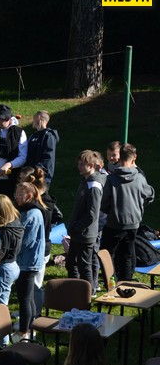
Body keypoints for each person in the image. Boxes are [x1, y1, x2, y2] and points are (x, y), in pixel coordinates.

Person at [100, 143, 155, 281]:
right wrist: (139, 205)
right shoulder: (139, 178)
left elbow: (104, 202)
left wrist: (109, 211)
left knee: (106, 253)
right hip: (133, 222)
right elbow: (150, 195)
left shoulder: (111, 179)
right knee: (128, 253)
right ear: (134, 157)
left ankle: (110, 282)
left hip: (114, 222)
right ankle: (126, 282)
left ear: (119, 158)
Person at [67, 151, 103, 293]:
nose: (80, 167)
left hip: (85, 234)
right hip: (78, 233)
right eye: (79, 164)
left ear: (92, 165)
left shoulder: (93, 185)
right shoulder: (85, 181)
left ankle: (87, 294)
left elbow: (92, 214)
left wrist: (77, 227)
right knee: (71, 263)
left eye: (83, 164)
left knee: (84, 267)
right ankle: (74, 290)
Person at [13, 182, 46, 340]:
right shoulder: (29, 211)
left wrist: (12, 250)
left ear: (30, 196)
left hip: (27, 262)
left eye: (20, 194)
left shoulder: (32, 214)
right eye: (16, 194)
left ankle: (23, 332)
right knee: (29, 297)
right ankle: (31, 327)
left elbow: (26, 241)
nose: (17, 197)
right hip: (29, 261)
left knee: (24, 299)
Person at [0, 194, 24, 307]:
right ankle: (2, 316)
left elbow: (1, 252)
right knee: (3, 298)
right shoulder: (17, 224)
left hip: (4, 268)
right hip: (14, 265)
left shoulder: (4, 230)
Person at [26, 111, 59, 191]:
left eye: (34, 118)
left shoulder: (49, 135)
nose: (32, 120)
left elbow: (48, 156)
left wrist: (37, 170)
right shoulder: (33, 135)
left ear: (39, 118)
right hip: (29, 174)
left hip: (41, 177)